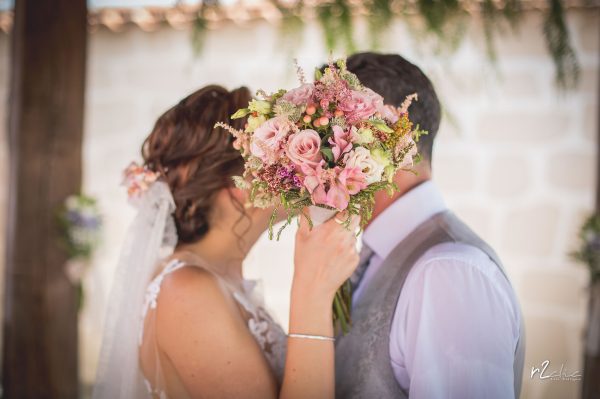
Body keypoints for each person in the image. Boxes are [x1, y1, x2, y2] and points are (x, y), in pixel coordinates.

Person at [93, 85, 359, 399]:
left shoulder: (213, 278)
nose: (295, 169)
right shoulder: (186, 292)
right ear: (235, 186)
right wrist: (311, 294)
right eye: (274, 158)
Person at [333, 53, 525, 398]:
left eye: (329, 133)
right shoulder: (366, 254)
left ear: (387, 132)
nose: (319, 155)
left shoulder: (448, 273)